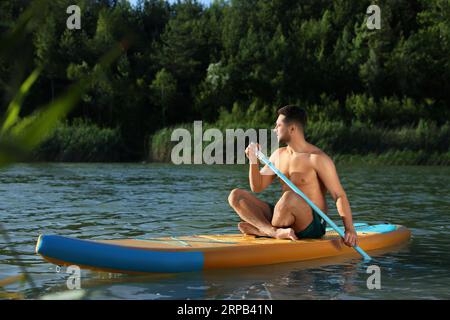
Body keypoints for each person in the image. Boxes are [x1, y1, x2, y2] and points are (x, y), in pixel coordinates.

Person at [228, 105, 358, 247]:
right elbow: (257, 186)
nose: (274, 130)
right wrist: (253, 160)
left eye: (278, 125)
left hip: (310, 224)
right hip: (282, 215)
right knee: (236, 196)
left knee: (289, 198)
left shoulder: (317, 158)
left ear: (292, 128)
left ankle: (263, 229)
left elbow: (339, 195)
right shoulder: (278, 155)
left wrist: (349, 229)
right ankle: (272, 232)